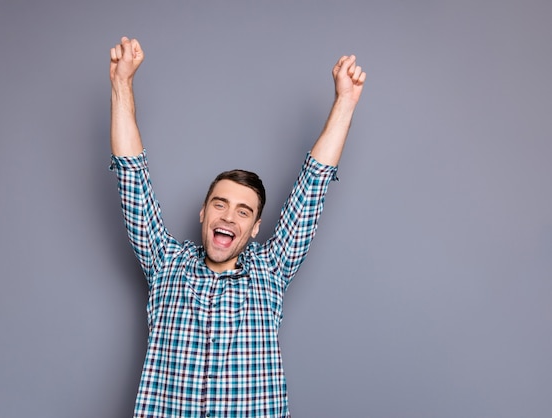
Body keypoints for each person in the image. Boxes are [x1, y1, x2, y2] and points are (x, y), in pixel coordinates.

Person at [109, 36, 366, 418]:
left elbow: (314, 184)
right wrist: (121, 83)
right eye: (220, 204)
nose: (229, 216)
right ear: (203, 213)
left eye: (244, 211)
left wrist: (345, 101)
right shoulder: (165, 263)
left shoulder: (272, 269)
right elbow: (132, 176)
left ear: (256, 227)